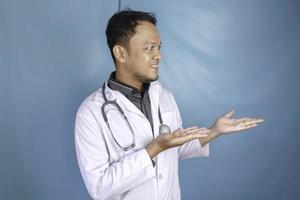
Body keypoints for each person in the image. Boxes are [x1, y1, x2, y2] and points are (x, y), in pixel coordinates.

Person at [74, 9, 264, 200]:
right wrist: (154, 148)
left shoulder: (164, 97)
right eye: (149, 48)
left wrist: (214, 131)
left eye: (159, 47)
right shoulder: (90, 112)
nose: (158, 56)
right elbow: (100, 188)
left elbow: (174, 149)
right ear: (121, 53)